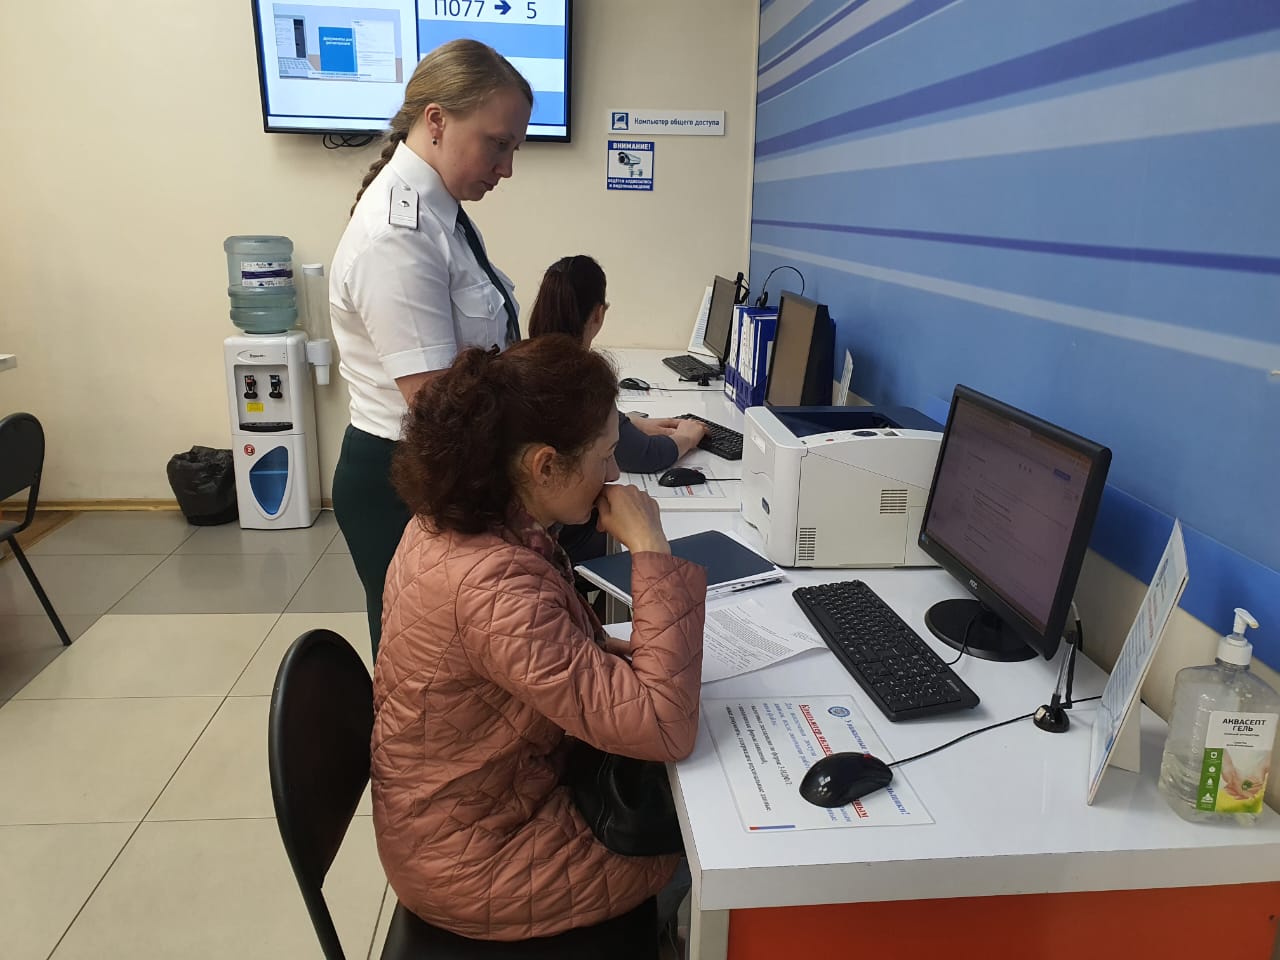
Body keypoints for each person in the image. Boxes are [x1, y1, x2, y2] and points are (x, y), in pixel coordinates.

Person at [372, 335, 705, 943]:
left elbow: (540, 654)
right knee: (700, 843)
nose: (614, 474)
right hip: (480, 860)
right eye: (606, 455)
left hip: (465, 812)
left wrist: (625, 658)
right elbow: (664, 726)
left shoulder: (453, 521)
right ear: (545, 466)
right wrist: (651, 549)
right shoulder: (493, 584)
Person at [329, 39, 533, 654]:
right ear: (436, 120)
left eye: (514, 149)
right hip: (408, 477)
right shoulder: (399, 234)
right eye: (497, 144)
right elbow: (439, 405)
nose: (506, 169)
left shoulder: (439, 212)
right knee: (422, 666)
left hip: (437, 465)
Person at [527, 254, 707, 474]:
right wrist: (687, 436)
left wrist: (629, 423)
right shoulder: (579, 379)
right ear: (599, 314)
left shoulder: (526, 361)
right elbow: (644, 455)